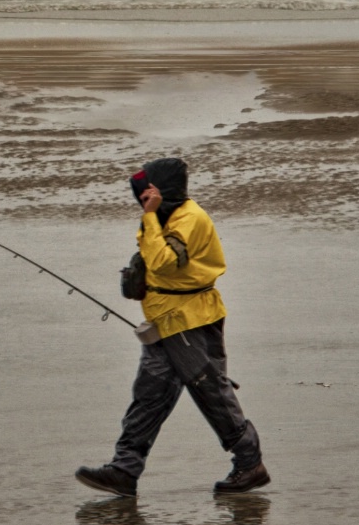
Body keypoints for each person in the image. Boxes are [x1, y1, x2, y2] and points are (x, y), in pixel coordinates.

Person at [75, 156, 269, 497]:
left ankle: (249, 463)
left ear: (162, 190)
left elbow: (164, 263)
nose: (140, 199)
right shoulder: (164, 215)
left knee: (211, 393)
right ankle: (124, 470)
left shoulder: (189, 218)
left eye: (146, 191)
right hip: (165, 320)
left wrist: (149, 217)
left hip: (191, 321)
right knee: (149, 395)